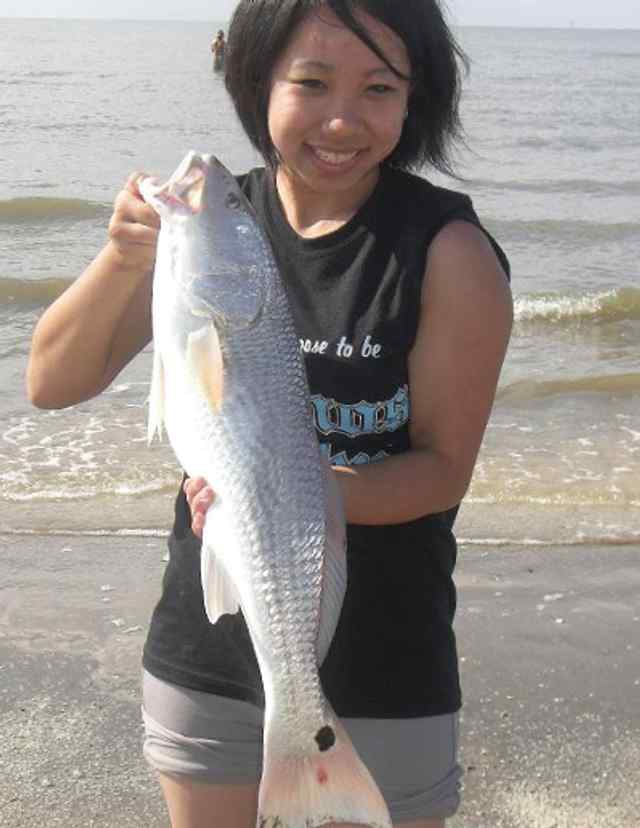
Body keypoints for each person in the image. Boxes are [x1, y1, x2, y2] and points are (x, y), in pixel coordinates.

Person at [26, 1, 513, 826]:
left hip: (388, 662)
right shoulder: (215, 237)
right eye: (311, 81)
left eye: (378, 89)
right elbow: (51, 380)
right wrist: (121, 257)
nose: (340, 119)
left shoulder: (446, 251)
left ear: (415, 97)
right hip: (206, 646)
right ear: (257, 82)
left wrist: (288, 492)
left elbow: (440, 471)